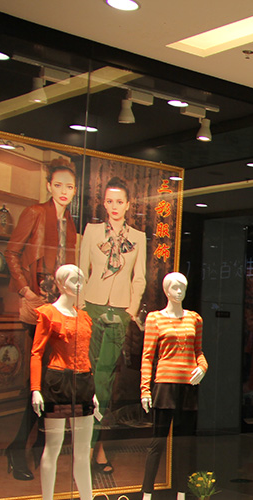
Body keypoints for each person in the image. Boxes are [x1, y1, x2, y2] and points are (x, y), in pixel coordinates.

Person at [4, 156, 79, 481]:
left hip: (59, 308)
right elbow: (11, 251)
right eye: (58, 184)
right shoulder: (35, 212)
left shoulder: (70, 223)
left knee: (51, 382)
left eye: (69, 186)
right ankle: (21, 447)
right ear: (49, 185)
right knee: (37, 381)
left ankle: (31, 447)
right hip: (37, 307)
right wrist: (24, 290)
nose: (63, 191)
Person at [79, 176, 148, 476]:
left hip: (119, 311)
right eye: (110, 201)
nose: (115, 206)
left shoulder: (139, 237)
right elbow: (81, 270)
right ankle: (91, 448)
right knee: (87, 375)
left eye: (120, 201)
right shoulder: (92, 231)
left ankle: (94, 446)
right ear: (104, 204)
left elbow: (139, 278)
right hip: (91, 306)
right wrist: (81, 307)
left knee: (104, 380)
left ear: (128, 204)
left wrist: (130, 311)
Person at [30, 265, 100, 500]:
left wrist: (92, 391)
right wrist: (35, 388)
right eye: (73, 280)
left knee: (83, 452)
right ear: (61, 284)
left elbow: (86, 354)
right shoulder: (49, 313)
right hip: (57, 382)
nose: (79, 284)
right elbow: (36, 353)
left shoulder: (84, 317)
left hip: (83, 382)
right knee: (53, 447)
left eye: (81, 279)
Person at [139, 272, 207, 500]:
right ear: (166, 290)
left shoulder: (194, 319)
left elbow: (198, 352)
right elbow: (148, 356)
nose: (179, 292)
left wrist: (203, 367)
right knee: (156, 445)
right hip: (164, 386)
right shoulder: (155, 318)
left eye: (183, 288)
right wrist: (145, 389)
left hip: (187, 387)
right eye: (175, 287)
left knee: (183, 446)